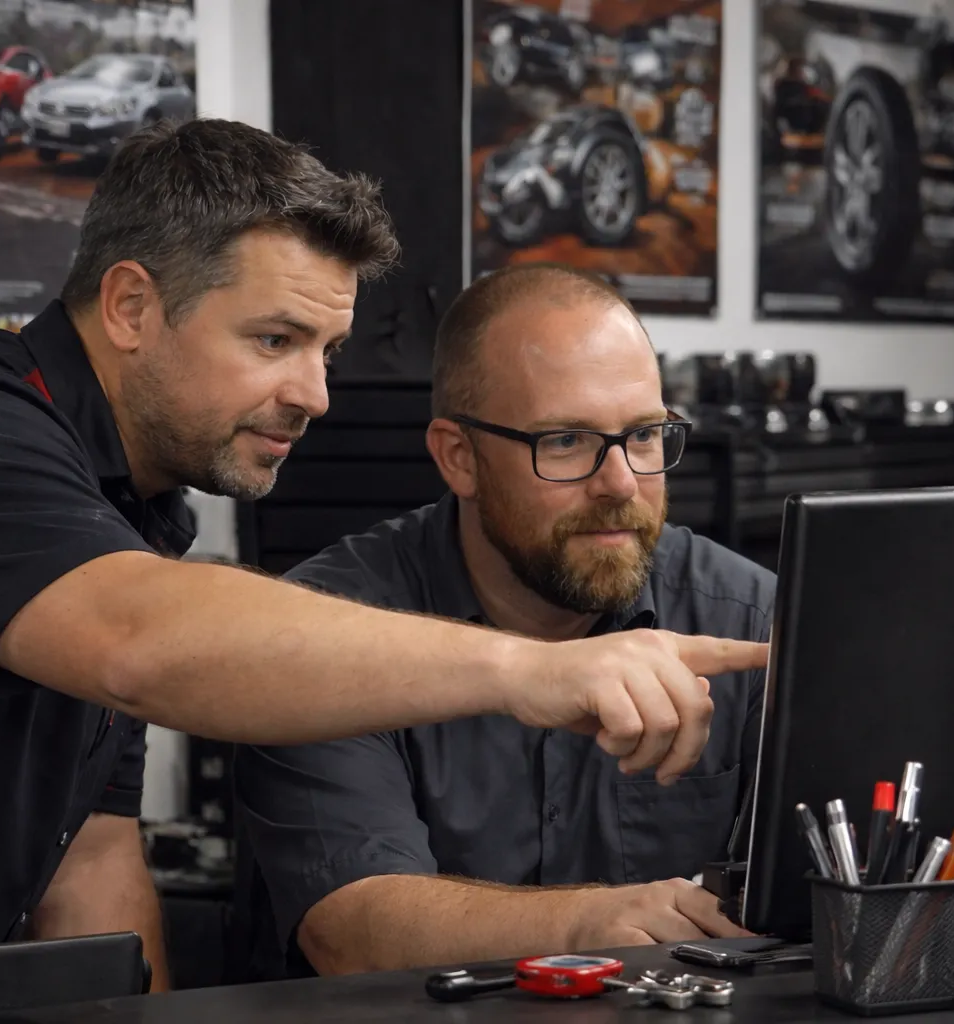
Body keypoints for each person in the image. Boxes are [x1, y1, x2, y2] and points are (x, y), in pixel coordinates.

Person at [0, 122, 766, 1024]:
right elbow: (144, 645)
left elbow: (88, 850)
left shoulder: (138, 512)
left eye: (325, 351)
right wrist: (534, 673)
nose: (317, 395)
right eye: (275, 341)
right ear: (130, 307)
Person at [235, 264, 777, 980]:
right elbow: (350, 931)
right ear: (458, 458)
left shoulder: (750, 622)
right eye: (564, 442)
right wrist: (590, 922)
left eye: (644, 436)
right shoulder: (324, 634)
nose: (619, 483)